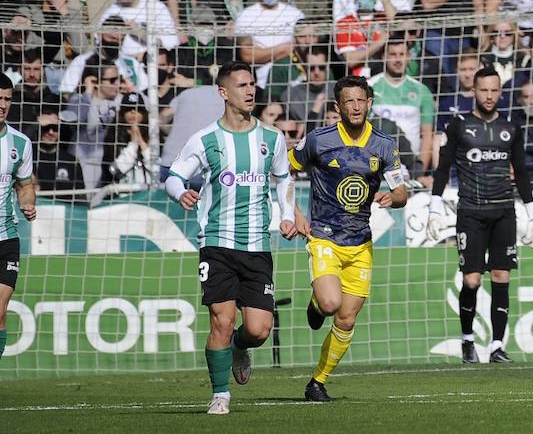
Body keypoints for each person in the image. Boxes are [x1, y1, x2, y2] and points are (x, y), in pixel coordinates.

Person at [164, 62, 297, 414]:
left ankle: (240, 348)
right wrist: (181, 193)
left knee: (258, 330)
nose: (250, 90)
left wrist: (286, 217)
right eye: (242, 85)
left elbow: (284, 180)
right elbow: (173, 176)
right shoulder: (205, 139)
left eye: (252, 83)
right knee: (221, 321)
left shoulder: (272, 138)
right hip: (217, 243)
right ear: (223, 92)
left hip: (257, 245)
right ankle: (220, 395)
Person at [290, 76, 408, 401]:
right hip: (325, 236)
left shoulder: (384, 145)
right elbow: (284, 169)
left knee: (346, 316)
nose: (356, 107)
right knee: (331, 304)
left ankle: (317, 381)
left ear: (369, 103)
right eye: (349, 102)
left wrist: (392, 198)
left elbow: (402, 191)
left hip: (361, 243)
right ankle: (317, 303)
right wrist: (294, 212)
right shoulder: (318, 140)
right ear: (337, 106)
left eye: (361, 101)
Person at [432, 66, 533, 364]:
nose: (489, 96)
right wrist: (434, 207)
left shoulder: (510, 128)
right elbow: (443, 168)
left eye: (494, 90)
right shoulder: (458, 126)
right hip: (470, 211)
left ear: (501, 92)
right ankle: (468, 339)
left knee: (501, 276)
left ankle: (497, 345)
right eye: (484, 90)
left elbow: (521, 172)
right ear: (473, 90)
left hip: (504, 212)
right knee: (471, 281)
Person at [0, 73, 36, 367]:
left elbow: (25, 186)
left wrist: (28, 204)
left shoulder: (20, 143)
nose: (2, 105)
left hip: (6, 237)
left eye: (7, 99)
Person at [369, 39, 437, 173]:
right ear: (384, 57)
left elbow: (427, 135)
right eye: (393, 54)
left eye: (402, 54)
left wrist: (419, 171)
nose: (398, 59)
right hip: (377, 166)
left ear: (409, 57)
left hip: (410, 167)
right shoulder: (370, 87)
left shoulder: (422, 91)